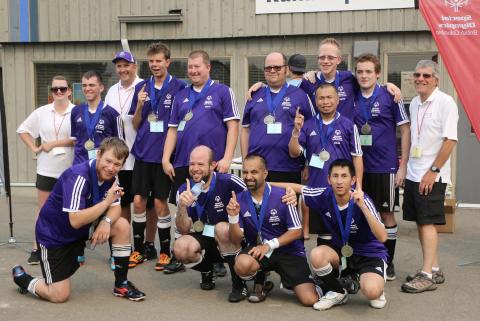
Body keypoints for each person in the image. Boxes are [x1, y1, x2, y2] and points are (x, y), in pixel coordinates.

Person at [12, 137, 146, 302]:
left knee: (122, 225)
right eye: (108, 161)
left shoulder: (112, 177)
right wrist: (106, 203)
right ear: (98, 154)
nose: (111, 168)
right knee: (59, 295)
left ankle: (121, 284)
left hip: (80, 231)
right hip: (54, 237)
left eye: (117, 164)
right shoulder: (78, 176)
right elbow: (75, 220)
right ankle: (23, 279)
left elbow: (116, 206)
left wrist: (106, 222)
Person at [279, 159, 388, 310]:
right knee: (317, 254)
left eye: (344, 176)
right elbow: (298, 188)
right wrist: (263, 185)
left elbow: (383, 237)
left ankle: (377, 286)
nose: (339, 181)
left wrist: (363, 207)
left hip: (369, 254)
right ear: (328, 179)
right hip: (342, 253)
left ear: (353, 180)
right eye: (335, 176)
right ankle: (338, 292)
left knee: (371, 292)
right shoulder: (324, 195)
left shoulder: (364, 200)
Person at [227, 154, 319, 306]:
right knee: (242, 265)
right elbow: (235, 239)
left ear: (265, 173)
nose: (248, 176)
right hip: (259, 251)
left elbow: (296, 231)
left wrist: (269, 245)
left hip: (289, 252)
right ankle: (260, 279)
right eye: (245, 172)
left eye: (254, 172)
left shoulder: (284, 195)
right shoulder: (238, 198)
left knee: (310, 300)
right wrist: (233, 218)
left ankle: (304, 280)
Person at [127, 43, 187, 271]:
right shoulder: (141, 87)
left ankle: (165, 251)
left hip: (164, 156)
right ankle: (139, 249)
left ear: (167, 62)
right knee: (139, 201)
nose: (154, 65)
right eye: (151, 61)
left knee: (161, 203)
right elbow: (135, 124)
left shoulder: (179, 87)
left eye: (159, 61)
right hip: (143, 154)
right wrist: (141, 105)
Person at [401, 60, 458, 293]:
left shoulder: (446, 103)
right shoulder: (415, 102)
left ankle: (425, 276)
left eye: (426, 75)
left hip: (431, 176)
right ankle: (433, 268)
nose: (421, 79)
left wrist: (432, 172)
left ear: (436, 79)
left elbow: (450, 140)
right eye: (417, 75)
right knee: (420, 223)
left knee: (427, 223)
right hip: (415, 173)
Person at [352, 53, 410, 281]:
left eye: (368, 71)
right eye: (360, 71)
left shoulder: (389, 95)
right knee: (359, 213)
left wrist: (402, 165)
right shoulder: (352, 96)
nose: (364, 75)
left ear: (377, 74)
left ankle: (388, 260)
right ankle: (362, 259)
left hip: (385, 167)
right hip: (358, 169)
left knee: (386, 214)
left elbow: (405, 130)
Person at [289, 83, 363, 246]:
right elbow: (294, 152)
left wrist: (358, 186)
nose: (325, 101)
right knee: (324, 235)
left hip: (343, 190)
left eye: (329, 97)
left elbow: (357, 157)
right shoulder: (307, 125)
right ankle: (325, 270)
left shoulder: (349, 125)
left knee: (346, 232)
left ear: (337, 100)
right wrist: (296, 132)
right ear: (316, 101)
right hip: (319, 190)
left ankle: (347, 270)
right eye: (321, 98)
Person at [163, 50, 240, 206]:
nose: (193, 71)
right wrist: (165, 159)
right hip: (184, 163)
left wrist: (227, 158)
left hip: (213, 164)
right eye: (190, 67)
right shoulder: (180, 95)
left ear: (208, 67)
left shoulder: (223, 91)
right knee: (184, 207)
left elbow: (233, 127)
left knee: (215, 207)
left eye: (197, 66)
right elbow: (172, 129)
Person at [173, 145, 250, 302]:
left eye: (200, 164)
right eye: (192, 164)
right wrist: (182, 207)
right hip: (205, 234)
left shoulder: (229, 182)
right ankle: (207, 270)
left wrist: (289, 192)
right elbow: (184, 229)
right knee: (180, 248)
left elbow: (258, 195)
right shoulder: (184, 190)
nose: (195, 168)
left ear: (212, 165)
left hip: (233, 236)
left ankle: (238, 283)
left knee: (221, 228)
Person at [17, 75, 75, 265]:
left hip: (69, 169)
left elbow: (77, 138)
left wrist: (53, 143)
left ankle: (66, 247)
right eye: (55, 89)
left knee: (69, 210)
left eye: (63, 89)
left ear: (70, 91)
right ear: (51, 92)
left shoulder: (76, 112)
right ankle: (37, 248)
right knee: (43, 211)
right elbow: (22, 130)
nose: (59, 92)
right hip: (46, 169)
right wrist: (35, 148)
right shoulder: (42, 112)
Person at [240, 51, 315, 186]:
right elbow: (245, 130)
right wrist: (246, 161)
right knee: (256, 206)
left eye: (277, 67)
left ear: (286, 70)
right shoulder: (253, 95)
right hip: (257, 168)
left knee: (285, 206)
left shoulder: (301, 95)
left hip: (289, 167)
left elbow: (312, 131)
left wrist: (308, 163)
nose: (272, 71)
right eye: (268, 68)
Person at [70, 71, 122, 165]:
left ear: (101, 88)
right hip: (80, 165)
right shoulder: (75, 111)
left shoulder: (113, 114)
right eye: (84, 85)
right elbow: (75, 140)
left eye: (91, 85)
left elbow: (120, 146)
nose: (87, 88)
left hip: (103, 167)